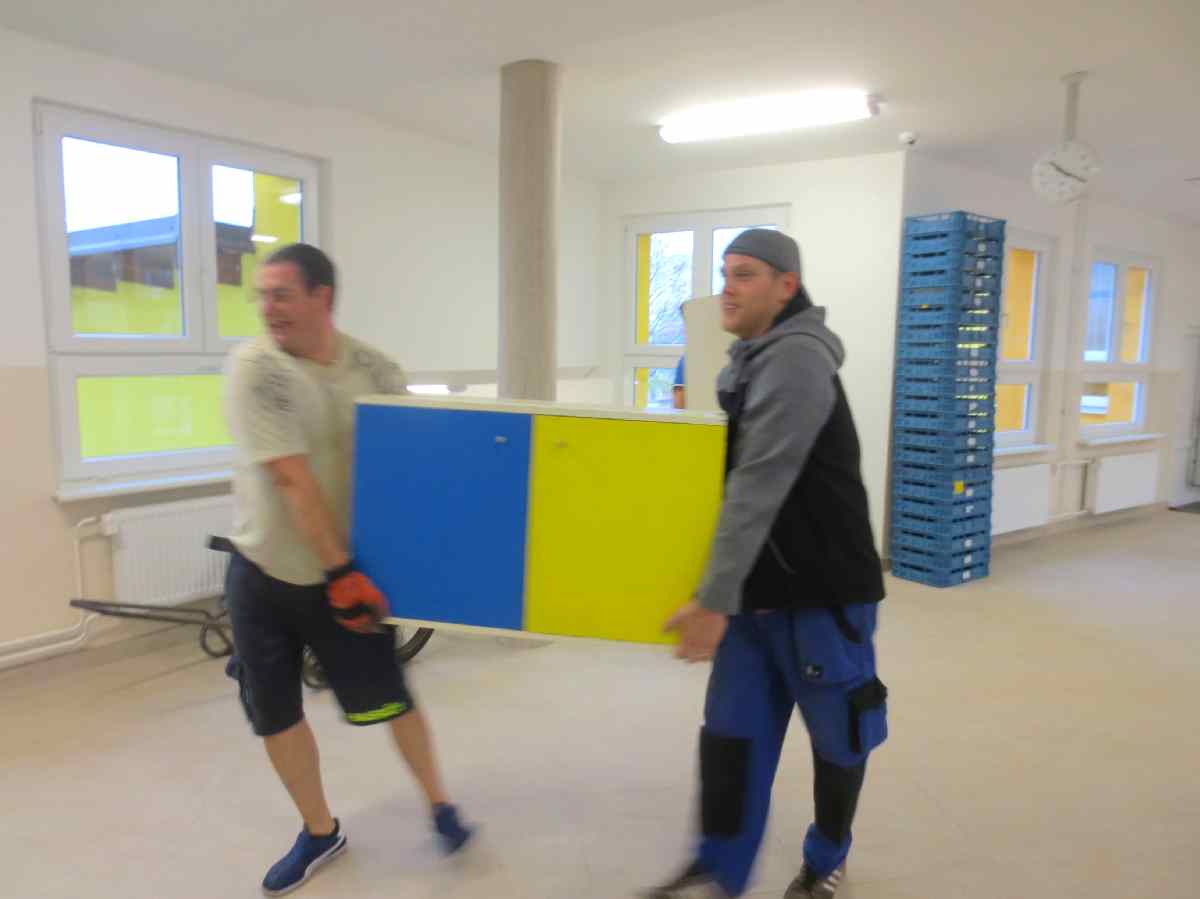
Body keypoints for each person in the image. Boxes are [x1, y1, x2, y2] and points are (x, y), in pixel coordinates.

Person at [222, 243, 473, 896]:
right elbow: (292, 479)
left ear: (322, 297)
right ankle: (319, 830)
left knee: (390, 695)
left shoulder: (373, 369)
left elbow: (413, 459)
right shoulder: (257, 369)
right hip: (267, 573)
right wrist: (342, 573)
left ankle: (440, 803)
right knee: (274, 712)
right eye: (262, 296)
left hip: (345, 574)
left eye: (281, 294)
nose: (268, 308)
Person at [649, 229, 888, 899]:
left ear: (787, 286)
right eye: (725, 272)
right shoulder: (748, 361)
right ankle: (720, 864)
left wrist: (712, 598)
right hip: (757, 592)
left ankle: (826, 857)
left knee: (840, 736)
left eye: (746, 273)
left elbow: (759, 483)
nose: (728, 286)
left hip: (822, 594)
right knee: (732, 733)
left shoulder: (797, 359)